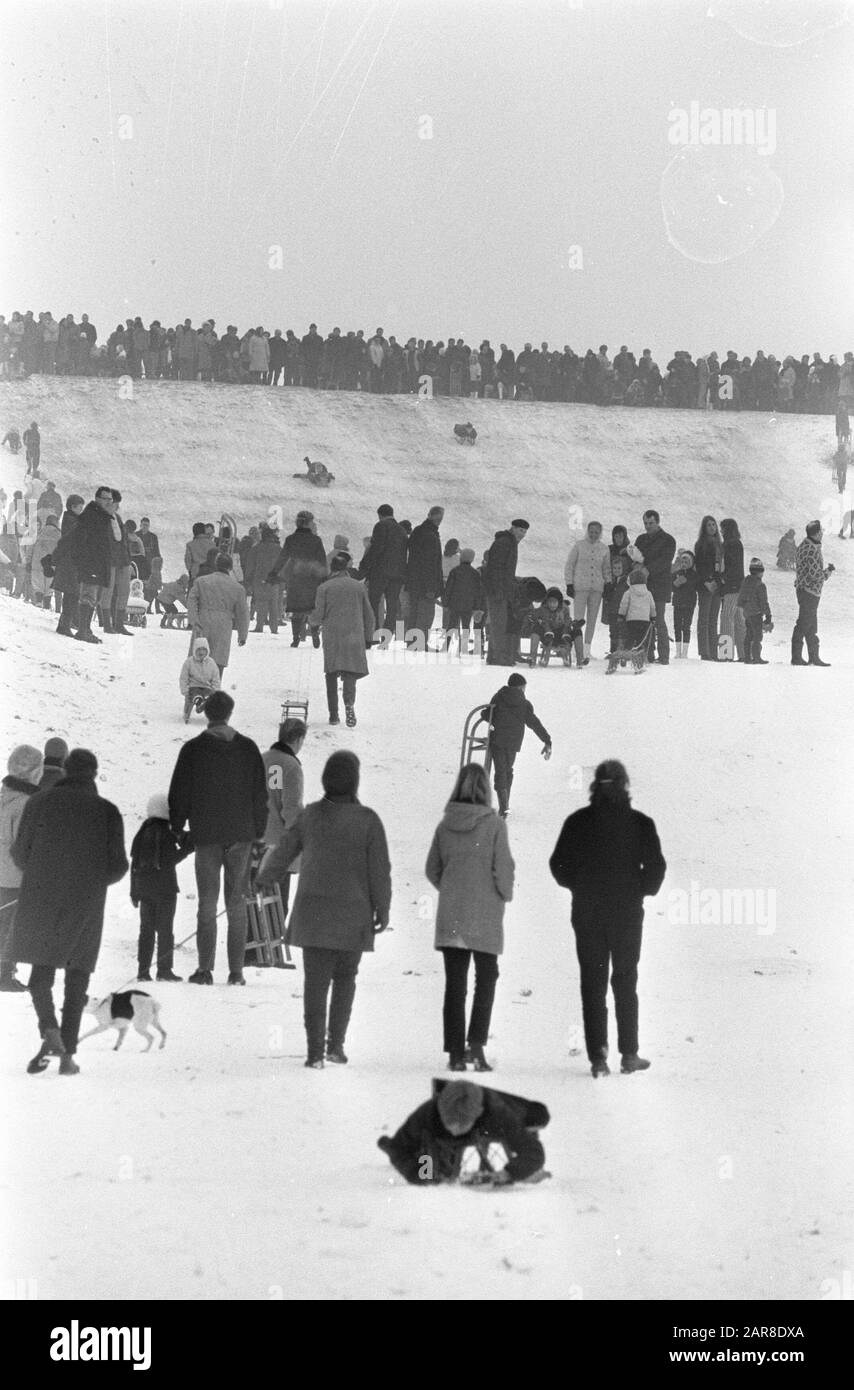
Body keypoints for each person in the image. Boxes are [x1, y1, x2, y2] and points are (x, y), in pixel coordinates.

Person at [259, 750, 391, 1067]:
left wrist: (264, 878)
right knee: (346, 979)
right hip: (353, 913)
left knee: (315, 984)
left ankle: (314, 1052)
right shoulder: (369, 820)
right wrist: (382, 909)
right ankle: (336, 1046)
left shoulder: (310, 816)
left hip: (313, 912)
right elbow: (379, 870)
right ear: (355, 781)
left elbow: (283, 850)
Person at [11, 748, 128, 1075]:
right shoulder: (108, 812)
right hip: (86, 901)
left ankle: (49, 1029)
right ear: (93, 773)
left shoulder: (38, 803)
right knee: (77, 978)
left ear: (64, 770)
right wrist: (91, 881)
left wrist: (42, 871)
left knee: (40, 973)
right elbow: (118, 866)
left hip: (41, 896)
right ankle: (68, 1053)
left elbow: (20, 855)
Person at [549, 760, 666, 1078]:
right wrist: (641, 890)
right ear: (625, 785)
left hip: (587, 912)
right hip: (627, 913)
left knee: (593, 983)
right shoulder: (641, 824)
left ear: (594, 786)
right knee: (626, 980)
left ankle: (598, 1058)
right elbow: (656, 869)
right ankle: (629, 1054)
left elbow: (558, 864)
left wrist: (578, 884)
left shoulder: (578, 822)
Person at [168, 691, 267, 986]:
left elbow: (179, 791)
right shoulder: (248, 748)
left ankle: (204, 968)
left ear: (206, 714)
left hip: (206, 835)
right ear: (230, 713)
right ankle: (236, 972)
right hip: (241, 835)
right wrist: (257, 831)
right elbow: (259, 795)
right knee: (237, 904)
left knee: (207, 904)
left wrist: (177, 826)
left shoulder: (193, 749)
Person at [425, 764, 514, 1073]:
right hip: (486, 915)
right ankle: (475, 1045)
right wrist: (503, 894)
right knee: (486, 978)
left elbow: (431, 869)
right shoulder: (494, 826)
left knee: (455, 984)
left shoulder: (445, 825)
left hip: (452, 915)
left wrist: (450, 889)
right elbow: (503, 869)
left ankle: (454, 1053)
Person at [377, 1080, 547, 1186]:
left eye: (461, 1124)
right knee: (426, 1160)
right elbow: (399, 1148)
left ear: (477, 1114)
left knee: (538, 1116)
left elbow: (533, 1152)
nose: (454, 1130)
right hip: (437, 1139)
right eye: (450, 1122)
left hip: (500, 1114)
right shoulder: (427, 1114)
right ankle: (438, 1166)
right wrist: (420, 1175)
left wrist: (511, 1173)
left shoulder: (497, 1113)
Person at [130, 794, 193, 982]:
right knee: (165, 930)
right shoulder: (166, 832)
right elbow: (171, 859)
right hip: (165, 890)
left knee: (146, 930)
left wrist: (134, 891)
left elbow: (134, 864)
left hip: (145, 890)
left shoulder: (141, 833)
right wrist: (187, 849)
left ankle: (143, 970)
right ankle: (164, 970)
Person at [310, 553, 375, 726]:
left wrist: (314, 626)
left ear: (332, 568)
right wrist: (369, 637)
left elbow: (317, 613)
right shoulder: (358, 587)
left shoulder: (324, 587)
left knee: (331, 673)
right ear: (346, 568)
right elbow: (369, 614)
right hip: (353, 634)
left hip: (332, 634)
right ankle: (349, 704)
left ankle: (333, 714)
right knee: (350, 671)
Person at [0, 745, 44, 992]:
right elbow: (24, 845)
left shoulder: (3, 796)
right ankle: (5, 976)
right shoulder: (28, 803)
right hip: (16, 876)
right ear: (33, 772)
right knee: (11, 928)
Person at [483, 672, 551, 818]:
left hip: (497, 741)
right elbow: (534, 723)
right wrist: (547, 740)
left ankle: (503, 807)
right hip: (513, 743)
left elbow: (488, 714)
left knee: (500, 771)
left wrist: (485, 714)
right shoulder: (524, 704)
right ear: (521, 688)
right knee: (508, 770)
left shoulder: (498, 697)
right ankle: (505, 806)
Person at [259, 718, 306, 921]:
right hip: (278, 846)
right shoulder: (291, 766)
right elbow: (291, 808)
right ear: (297, 739)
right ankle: (274, 951)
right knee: (277, 906)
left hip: (255, 842)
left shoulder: (262, 759)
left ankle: (251, 951)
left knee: (255, 905)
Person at [269, 510, 327, 647]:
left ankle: (295, 637)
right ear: (308, 523)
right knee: (312, 608)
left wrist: (273, 573)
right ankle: (313, 631)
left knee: (296, 609)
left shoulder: (291, 539)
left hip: (295, 578)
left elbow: (282, 558)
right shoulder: (316, 540)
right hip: (312, 578)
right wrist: (324, 577)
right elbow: (322, 560)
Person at [68, 485, 117, 644]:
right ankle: (83, 630)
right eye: (106, 499)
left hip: (98, 563)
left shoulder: (102, 516)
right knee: (88, 596)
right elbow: (82, 540)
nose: (109, 502)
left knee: (93, 597)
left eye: (111, 499)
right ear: (97, 499)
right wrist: (86, 561)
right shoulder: (91, 515)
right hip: (92, 563)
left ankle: (86, 629)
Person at [187, 553, 249, 676]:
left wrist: (193, 620)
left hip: (203, 620)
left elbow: (191, 600)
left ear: (216, 565)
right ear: (230, 568)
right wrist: (242, 635)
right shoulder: (237, 588)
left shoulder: (201, 581)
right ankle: (213, 689)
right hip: (224, 624)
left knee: (198, 656)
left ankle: (195, 689)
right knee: (218, 661)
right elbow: (243, 613)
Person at [483, 519, 529, 666]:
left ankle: (494, 656)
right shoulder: (505, 542)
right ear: (513, 528)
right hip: (498, 590)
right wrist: (498, 590)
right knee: (498, 624)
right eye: (520, 530)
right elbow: (495, 568)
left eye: (524, 531)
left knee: (500, 623)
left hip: (502, 589)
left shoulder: (509, 542)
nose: (523, 534)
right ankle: (498, 657)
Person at [633, 510, 676, 663]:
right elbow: (636, 556)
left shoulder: (669, 540)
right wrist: (636, 565)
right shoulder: (641, 539)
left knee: (658, 619)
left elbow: (665, 561)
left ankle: (664, 656)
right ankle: (647, 654)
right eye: (645, 523)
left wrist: (647, 569)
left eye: (651, 523)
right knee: (644, 620)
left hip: (660, 585)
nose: (648, 526)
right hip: (643, 586)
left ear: (657, 522)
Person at [564, 520, 611, 659]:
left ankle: (586, 649)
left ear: (600, 533)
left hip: (597, 588)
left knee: (592, 619)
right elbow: (570, 565)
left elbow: (606, 568)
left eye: (597, 532)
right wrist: (569, 583)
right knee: (578, 619)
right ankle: (576, 648)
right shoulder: (579, 545)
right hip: (580, 587)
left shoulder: (604, 549)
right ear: (587, 531)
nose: (593, 534)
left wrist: (608, 583)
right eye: (591, 532)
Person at [791, 520, 833, 667]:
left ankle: (812, 657)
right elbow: (814, 574)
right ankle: (799, 657)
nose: (822, 533)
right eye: (820, 531)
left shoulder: (804, 546)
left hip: (805, 590)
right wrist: (827, 573)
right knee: (804, 623)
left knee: (809, 624)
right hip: (810, 591)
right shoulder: (811, 549)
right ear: (816, 533)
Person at [405, 506, 445, 647]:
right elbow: (430, 564)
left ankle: (412, 641)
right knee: (425, 614)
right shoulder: (430, 535)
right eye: (440, 518)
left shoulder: (418, 531)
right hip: (426, 584)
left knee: (414, 613)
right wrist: (431, 587)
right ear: (435, 517)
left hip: (414, 581)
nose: (440, 521)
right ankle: (419, 643)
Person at [443, 548, 485, 652]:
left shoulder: (455, 571)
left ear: (461, 558)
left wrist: (445, 603)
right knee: (466, 626)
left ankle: (446, 646)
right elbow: (477, 591)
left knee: (451, 625)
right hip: (468, 605)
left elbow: (449, 588)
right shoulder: (475, 573)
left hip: (454, 603)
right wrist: (477, 606)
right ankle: (463, 648)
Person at [243, 523, 282, 634]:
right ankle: (274, 628)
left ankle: (259, 626)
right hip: (274, 580)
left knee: (261, 603)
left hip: (259, 579)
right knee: (273, 604)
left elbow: (250, 566)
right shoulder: (279, 549)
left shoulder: (256, 549)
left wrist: (248, 580)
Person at [694, 514, 723, 660]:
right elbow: (699, 566)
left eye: (714, 525)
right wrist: (706, 581)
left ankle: (713, 651)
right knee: (704, 619)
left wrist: (718, 582)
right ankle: (704, 651)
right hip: (705, 585)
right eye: (709, 525)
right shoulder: (700, 544)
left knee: (713, 619)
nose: (712, 528)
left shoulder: (719, 544)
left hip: (716, 585)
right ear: (704, 528)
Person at [718, 518, 746, 661]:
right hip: (739, 586)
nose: (721, 531)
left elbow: (731, 565)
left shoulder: (729, 544)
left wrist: (724, 578)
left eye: (722, 528)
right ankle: (745, 654)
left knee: (726, 618)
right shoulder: (737, 543)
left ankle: (725, 654)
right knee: (739, 620)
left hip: (731, 587)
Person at [737, 558, 773, 664]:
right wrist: (768, 615)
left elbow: (740, 599)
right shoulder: (760, 585)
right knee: (757, 636)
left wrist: (745, 608)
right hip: (756, 614)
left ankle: (747, 657)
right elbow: (763, 602)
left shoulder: (745, 582)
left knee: (749, 634)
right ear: (760, 572)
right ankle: (757, 657)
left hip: (747, 613)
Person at [179, 638, 221, 721]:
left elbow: (216, 678)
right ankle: (198, 701)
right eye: (198, 650)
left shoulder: (211, 663)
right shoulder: (189, 662)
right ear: (194, 650)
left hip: (207, 687)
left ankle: (204, 703)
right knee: (195, 693)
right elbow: (183, 678)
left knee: (209, 695)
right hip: (193, 686)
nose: (201, 652)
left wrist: (215, 689)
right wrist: (184, 690)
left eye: (203, 650)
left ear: (207, 651)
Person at [617, 569, 657, 654]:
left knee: (631, 637)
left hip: (632, 620)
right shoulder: (648, 593)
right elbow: (652, 607)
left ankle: (626, 653)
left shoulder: (628, 592)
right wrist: (653, 617)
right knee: (642, 639)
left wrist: (621, 615)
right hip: (645, 620)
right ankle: (642, 655)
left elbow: (624, 604)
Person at [671, 549, 698, 658]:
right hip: (677, 602)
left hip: (689, 603)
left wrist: (687, 582)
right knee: (677, 626)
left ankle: (685, 652)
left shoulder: (694, 575)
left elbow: (695, 585)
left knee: (686, 626)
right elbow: (671, 586)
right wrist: (675, 584)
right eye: (682, 562)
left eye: (686, 562)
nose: (684, 564)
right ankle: (678, 651)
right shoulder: (676, 573)